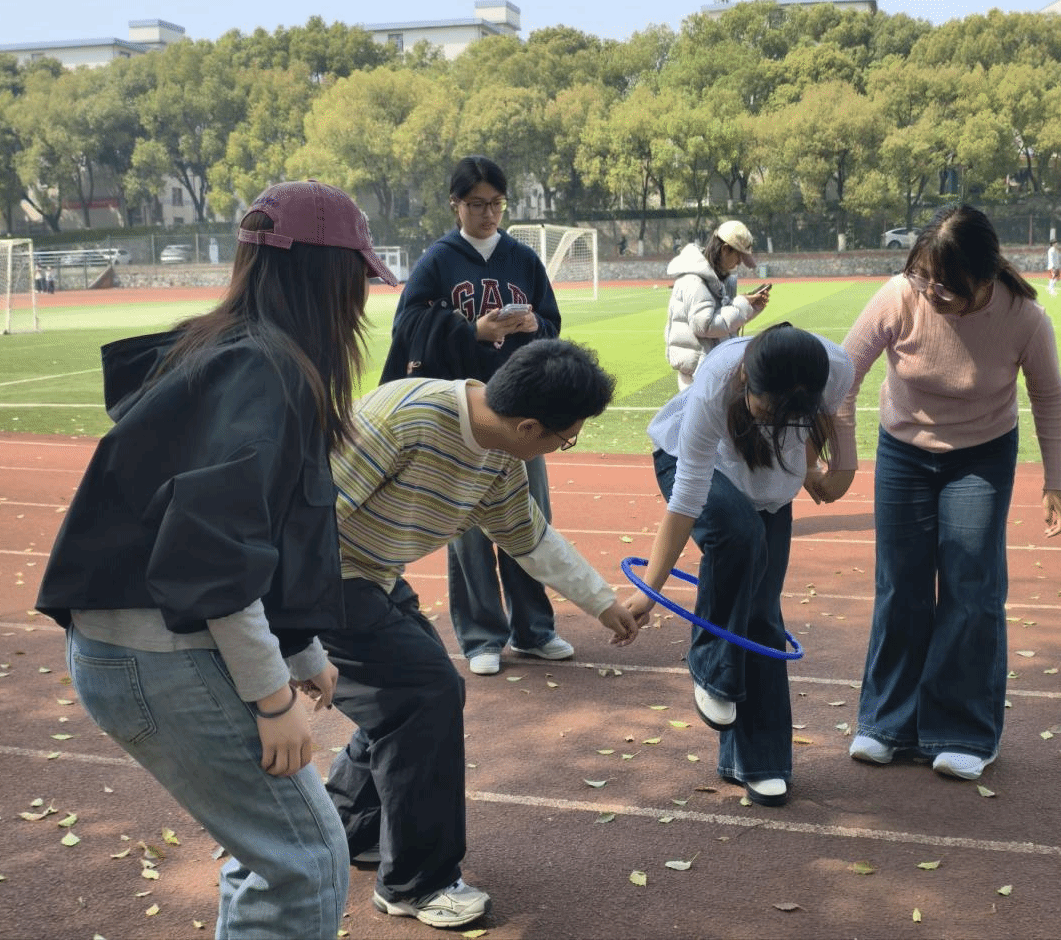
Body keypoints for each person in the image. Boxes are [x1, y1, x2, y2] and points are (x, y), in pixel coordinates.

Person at [35, 181, 397, 939]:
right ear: (326, 277)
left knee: (269, 848)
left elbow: (257, 524)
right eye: (356, 277)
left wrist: (299, 651)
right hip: (158, 652)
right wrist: (271, 698)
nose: (361, 298)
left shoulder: (224, 347)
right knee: (304, 858)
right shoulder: (265, 369)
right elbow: (211, 552)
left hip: (133, 644)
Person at [321, 338, 645, 928]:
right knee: (426, 695)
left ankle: (347, 826)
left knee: (408, 703)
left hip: (375, 575)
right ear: (529, 427)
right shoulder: (404, 418)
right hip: (325, 578)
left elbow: (528, 536)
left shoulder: (498, 457)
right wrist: (284, 639)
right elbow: (308, 518)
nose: (561, 449)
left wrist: (602, 603)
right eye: (565, 439)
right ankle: (416, 884)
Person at [823, 202, 1061, 782]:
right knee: (900, 584)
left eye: (947, 285)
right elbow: (841, 375)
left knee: (971, 586)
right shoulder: (900, 296)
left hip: (982, 454)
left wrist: (1056, 480)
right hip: (904, 451)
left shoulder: (1025, 319)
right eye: (924, 276)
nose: (932, 292)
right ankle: (887, 723)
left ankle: (963, 730)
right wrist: (844, 458)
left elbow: (1050, 397)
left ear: (985, 278)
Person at [622, 323, 854, 807]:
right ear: (746, 378)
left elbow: (823, 424)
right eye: (770, 411)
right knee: (738, 534)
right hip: (691, 463)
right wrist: (649, 592)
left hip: (768, 486)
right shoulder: (717, 381)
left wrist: (816, 469)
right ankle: (712, 669)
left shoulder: (835, 368)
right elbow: (686, 502)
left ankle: (758, 762)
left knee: (762, 616)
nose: (780, 423)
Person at [382, 154, 567, 678]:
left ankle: (534, 629)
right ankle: (482, 634)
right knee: (467, 527)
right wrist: (473, 332)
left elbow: (552, 322)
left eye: (496, 204)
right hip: (461, 413)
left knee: (529, 519)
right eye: (477, 204)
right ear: (455, 205)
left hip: (522, 411)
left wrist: (533, 326)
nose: (488, 215)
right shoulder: (439, 260)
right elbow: (408, 326)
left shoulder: (522, 259)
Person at [664, 220, 771, 391]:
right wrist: (741, 305)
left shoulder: (713, 277)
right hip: (697, 376)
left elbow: (723, 322)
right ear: (725, 249)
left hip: (708, 370)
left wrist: (750, 308)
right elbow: (705, 326)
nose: (739, 263)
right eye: (739, 256)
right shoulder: (695, 281)